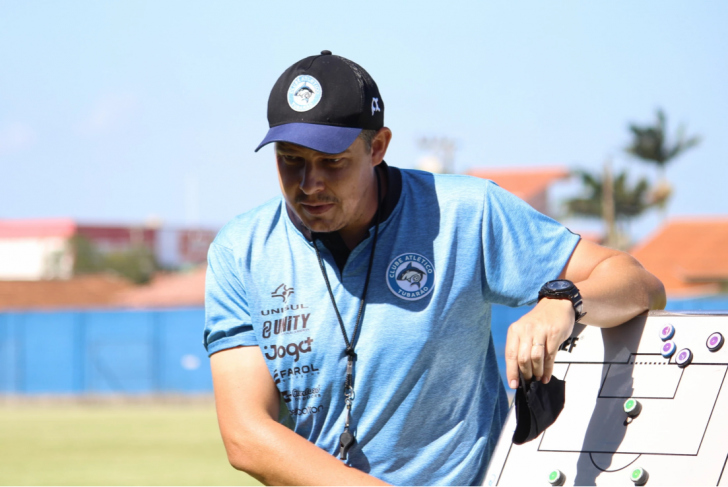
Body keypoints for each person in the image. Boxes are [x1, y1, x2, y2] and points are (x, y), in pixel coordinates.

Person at [204, 51, 666, 486]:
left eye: (332, 163)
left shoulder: (467, 212)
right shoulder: (241, 249)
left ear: (378, 146)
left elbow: (640, 284)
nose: (310, 184)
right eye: (291, 162)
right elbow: (246, 436)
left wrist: (565, 301)